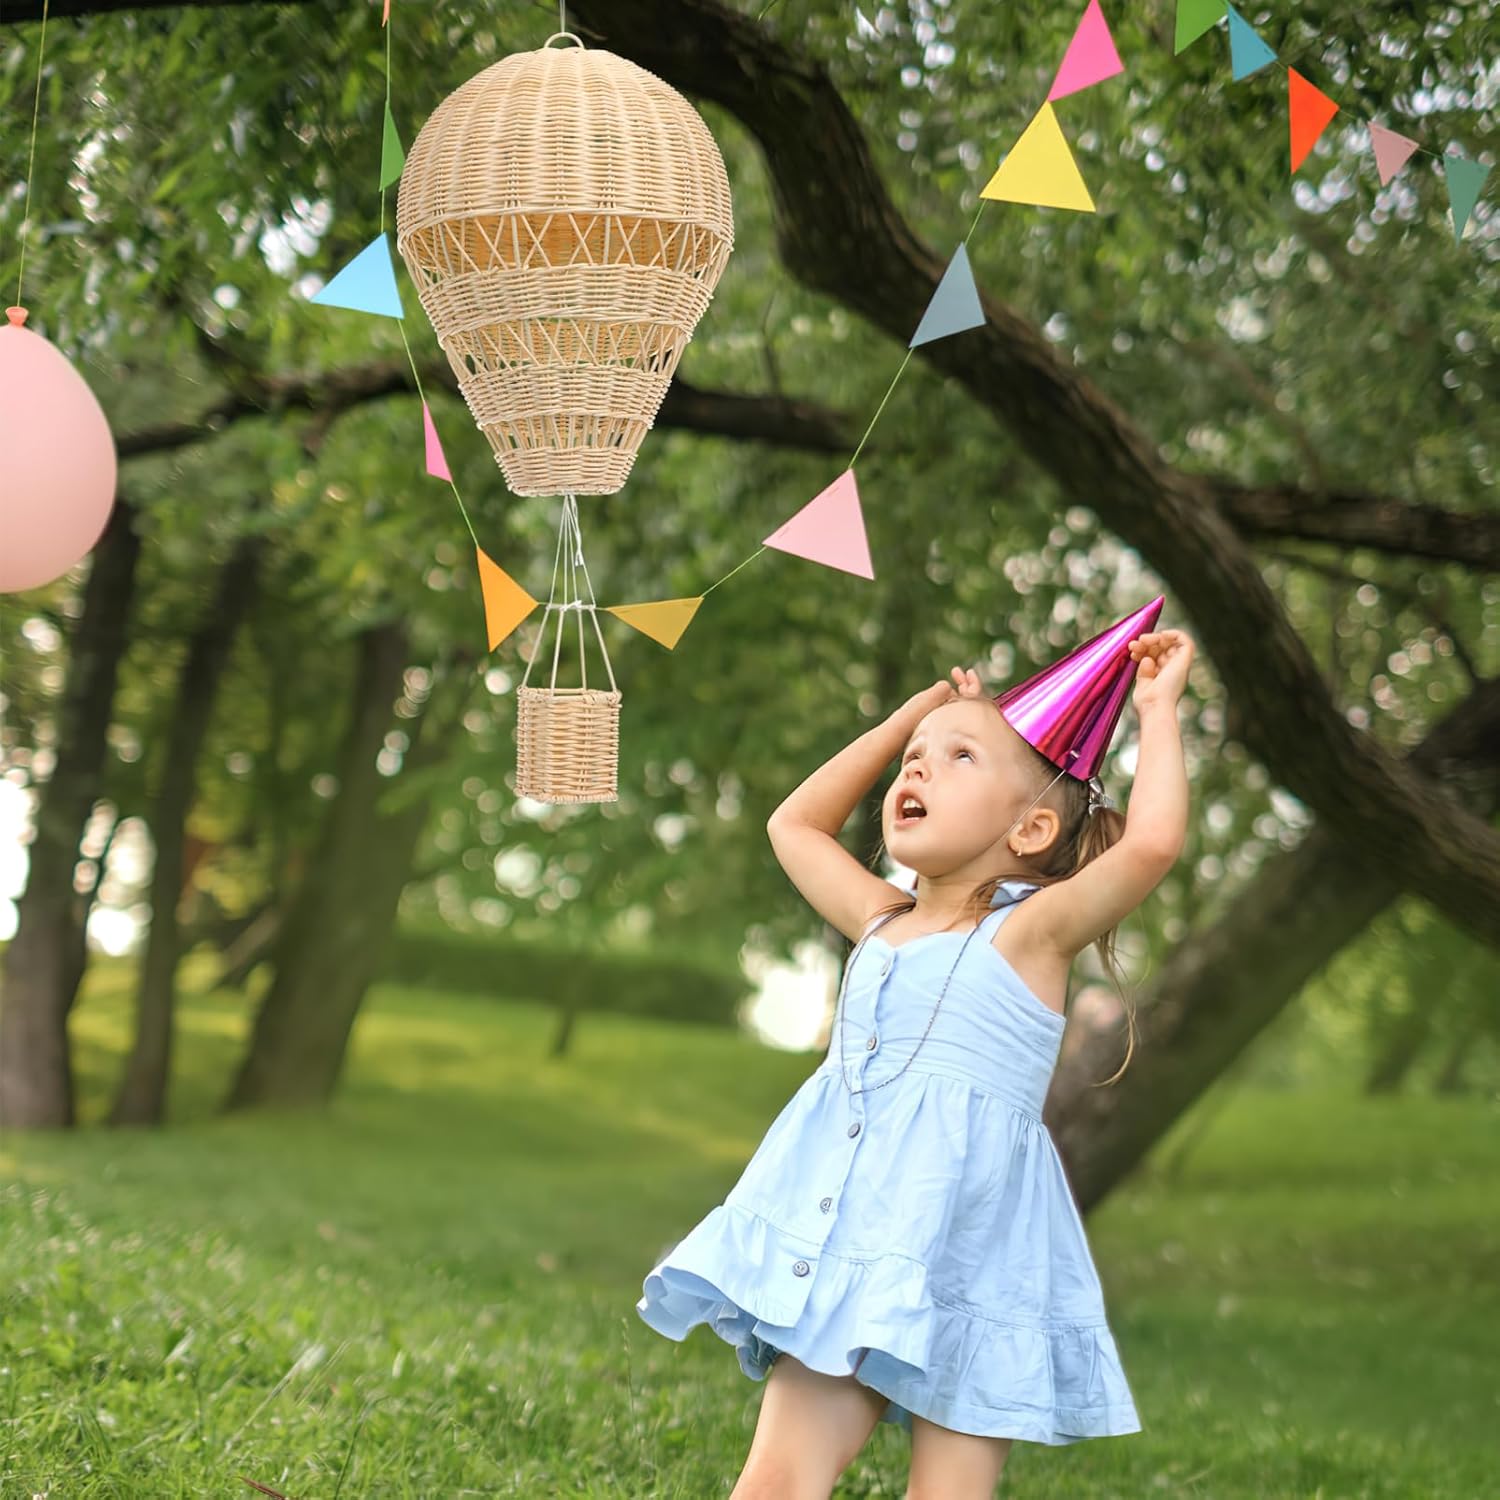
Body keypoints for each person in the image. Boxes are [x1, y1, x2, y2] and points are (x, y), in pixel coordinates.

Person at [636, 612, 1194, 1500]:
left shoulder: (1033, 936)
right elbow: (795, 826)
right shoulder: (882, 920)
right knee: (775, 1480)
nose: (920, 766)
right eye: (914, 760)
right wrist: (912, 718)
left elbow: (1156, 843)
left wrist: (1158, 710)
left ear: (1033, 830)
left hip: (980, 1255)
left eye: (960, 758)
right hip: (859, 1243)